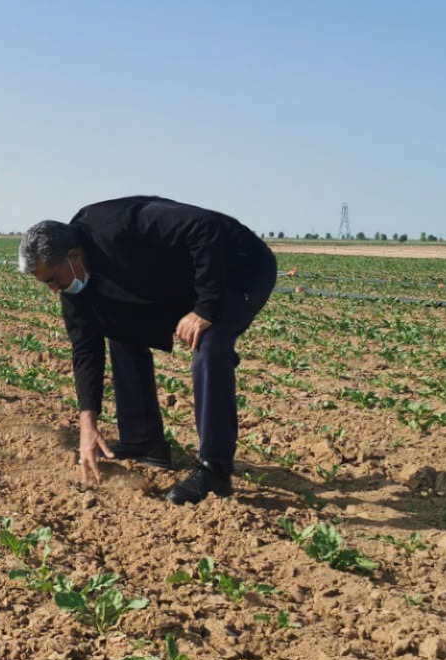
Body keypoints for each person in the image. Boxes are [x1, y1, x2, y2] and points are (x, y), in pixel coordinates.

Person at [17, 197, 277, 504]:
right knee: (118, 325)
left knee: (210, 345)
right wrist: (87, 424)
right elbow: (85, 350)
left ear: (73, 256)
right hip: (180, 282)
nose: (53, 290)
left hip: (238, 269)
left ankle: (214, 471)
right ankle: (143, 442)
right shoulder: (75, 292)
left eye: (53, 279)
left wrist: (206, 309)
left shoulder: (118, 224)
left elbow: (205, 226)